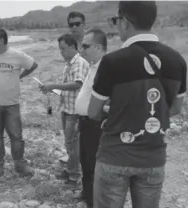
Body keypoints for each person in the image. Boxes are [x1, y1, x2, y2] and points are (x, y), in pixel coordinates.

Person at [88, 1, 187, 208]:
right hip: (152, 157)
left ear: (125, 22)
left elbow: (93, 112)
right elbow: (176, 109)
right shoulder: (177, 60)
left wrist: (114, 113)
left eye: (116, 21)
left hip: (114, 156)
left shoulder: (112, 62)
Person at [0, 28, 39, 177]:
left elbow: (33, 65)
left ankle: (20, 164)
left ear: (1, 40)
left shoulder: (16, 55)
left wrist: (20, 76)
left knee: (16, 136)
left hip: (11, 104)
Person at [40, 33, 89, 189]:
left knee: (73, 144)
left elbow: (77, 83)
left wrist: (53, 86)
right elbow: (69, 87)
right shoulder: (69, 63)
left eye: (64, 49)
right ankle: (70, 170)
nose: (61, 52)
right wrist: (53, 90)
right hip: (67, 108)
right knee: (69, 143)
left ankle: (74, 177)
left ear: (73, 47)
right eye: (60, 50)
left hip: (75, 111)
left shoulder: (79, 63)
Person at [74, 29, 108, 208]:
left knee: (94, 165)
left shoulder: (106, 67)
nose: (82, 49)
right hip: (85, 123)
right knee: (86, 162)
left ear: (97, 47)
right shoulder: (93, 65)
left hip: (96, 124)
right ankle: (88, 196)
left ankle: (95, 201)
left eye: (86, 46)